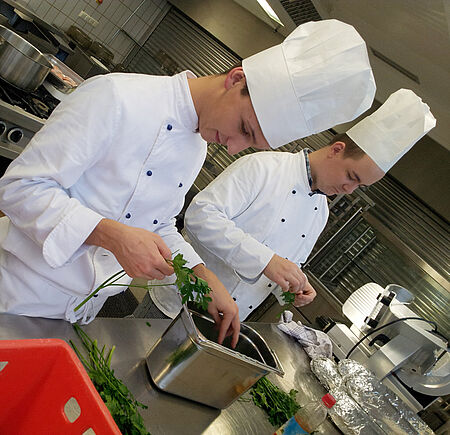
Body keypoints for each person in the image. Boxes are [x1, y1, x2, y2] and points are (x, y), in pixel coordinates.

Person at [0, 20, 375, 346]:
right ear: (236, 79)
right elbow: (19, 187)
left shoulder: (197, 145)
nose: (234, 147)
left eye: (251, 143)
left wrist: (201, 274)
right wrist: (112, 236)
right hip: (17, 294)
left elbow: (158, 223)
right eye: (244, 128)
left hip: (79, 315)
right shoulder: (116, 96)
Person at [170, 89, 435, 321]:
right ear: (336, 149)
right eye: (351, 176)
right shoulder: (264, 167)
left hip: (226, 321)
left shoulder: (321, 213)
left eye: (359, 186)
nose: (349, 189)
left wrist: (293, 286)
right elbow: (201, 215)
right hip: (177, 300)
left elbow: (282, 269)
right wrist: (267, 261)